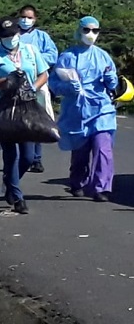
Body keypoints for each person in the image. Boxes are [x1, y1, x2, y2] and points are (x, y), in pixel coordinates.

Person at [0, 17, 49, 214]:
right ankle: (18, 198)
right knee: (11, 154)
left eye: (13, 35)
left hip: (27, 106)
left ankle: (10, 182)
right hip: (4, 108)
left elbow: (44, 73)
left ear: (18, 33)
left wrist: (33, 88)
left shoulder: (30, 51)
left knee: (28, 157)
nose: (10, 39)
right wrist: (5, 81)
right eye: (6, 36)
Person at [49, 16, 118, 202]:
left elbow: (113, 83)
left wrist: (111, 78)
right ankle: (78, 181)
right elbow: (53, 83)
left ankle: (101, 187)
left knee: (103, 148)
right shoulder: (67, 57)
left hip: (101, 109)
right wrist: (69, 88)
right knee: (80, 152)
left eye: (95, 31)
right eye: (87, 30)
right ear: (79, 31)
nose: (91, 34)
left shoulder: (103, 56)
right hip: (76, 111)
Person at [18, 4, 58, 174]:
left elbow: (52, 55)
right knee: (19, 122)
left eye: (30, 17)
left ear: (35, 19)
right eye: (24, 17)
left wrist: (35, 59)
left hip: (38, 82)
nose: (26, 20)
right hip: (17, 85)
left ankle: (36, 159)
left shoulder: (42, 37)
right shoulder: (12, 35)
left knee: (38, 120)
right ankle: (21, 156)